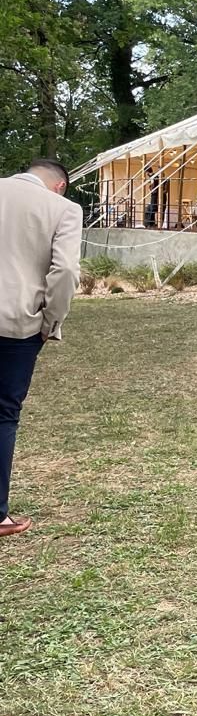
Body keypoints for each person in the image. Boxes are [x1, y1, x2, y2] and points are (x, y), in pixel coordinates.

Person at [0, 158, 83, 537]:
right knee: (3, 413)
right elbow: (64, 271)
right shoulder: (63, 209)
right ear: (59, 186)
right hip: (17, 322)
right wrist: (51, 321)